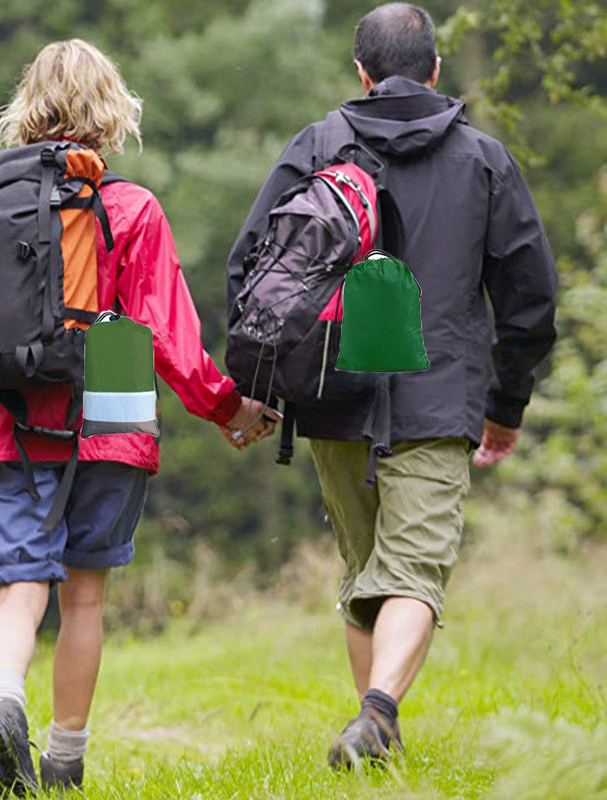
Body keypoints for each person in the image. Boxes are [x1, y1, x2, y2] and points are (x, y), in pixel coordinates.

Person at [0, 39, 276, 797]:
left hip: (7, 415)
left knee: (21, 589)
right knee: (85, 594)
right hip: (109, 414)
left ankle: (2, 701)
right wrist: (229, 409)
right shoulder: (132, 208)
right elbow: (167, 338)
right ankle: (63, 761)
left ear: (28, 106)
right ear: (112, 110)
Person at [226, 2, 558, 768]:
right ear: (436, 70)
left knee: (366, 572)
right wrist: (505, 406)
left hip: (332, 391)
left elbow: (250, 270)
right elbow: (529, 300)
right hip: (440, 398)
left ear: (361, 73)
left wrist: (265, 386)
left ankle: (375, 732)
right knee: (413, 571)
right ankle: (378, 718)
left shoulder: (316, 146)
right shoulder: (484, 160)